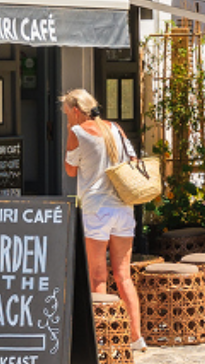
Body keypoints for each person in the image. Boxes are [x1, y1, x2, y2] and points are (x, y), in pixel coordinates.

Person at [60, 89, 144, 350]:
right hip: (123, 208)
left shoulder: (77, 133)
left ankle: (105, 339)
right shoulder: (116, 128)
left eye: (66, 115)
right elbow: (133, 159)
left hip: (96, 209)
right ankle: (135, 337)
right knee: (123, 276)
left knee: (97, 275)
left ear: (76, 111)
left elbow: (70, 170)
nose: (67, 120)